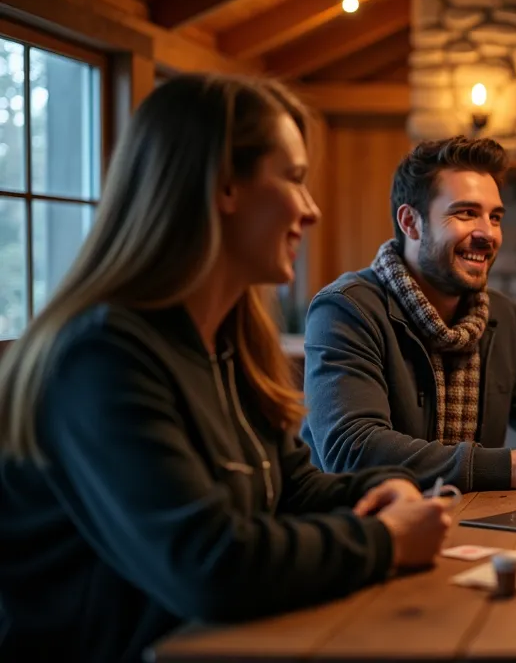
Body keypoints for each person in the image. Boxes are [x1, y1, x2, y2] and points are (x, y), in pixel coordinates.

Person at [0, 74, 452, 663]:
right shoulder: (99, 358)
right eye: (293, 179)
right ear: (223, 185)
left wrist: (380, 486)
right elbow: (208, 564)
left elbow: (288, 484)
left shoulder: (226, 341)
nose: (311, 210)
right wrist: (385, 540)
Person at [300, 136, 516, 493]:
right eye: (466, 213)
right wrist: (504, 466)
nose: (488, 233)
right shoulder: (346, 309)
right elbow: (351, 448)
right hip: (363, 530)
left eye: (495, 216)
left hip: (469, 523)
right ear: (411, 222)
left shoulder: (500, 316)